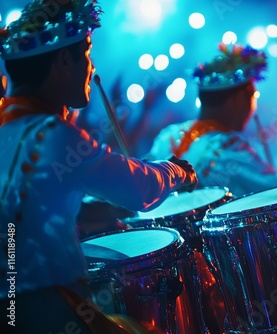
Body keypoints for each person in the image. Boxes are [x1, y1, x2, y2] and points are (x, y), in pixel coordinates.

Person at [0, 1, 197, 333]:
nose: (92, 70)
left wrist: (93, 212)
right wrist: (179, 170)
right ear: (64, 60)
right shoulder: (53, 134)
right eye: (87, 54)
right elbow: (140, 189)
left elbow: (28, 207)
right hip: (43, 308)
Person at [148, 42, 277, 198]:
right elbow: (276, 188)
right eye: (253, 97)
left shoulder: (166, 136)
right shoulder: (226, 149)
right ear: (238, 99)